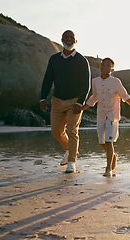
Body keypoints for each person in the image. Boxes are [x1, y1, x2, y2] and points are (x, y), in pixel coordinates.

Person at [40, 30, 91, 173]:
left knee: (72, 130)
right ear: (62, 40)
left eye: (71, 38)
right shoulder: (54, 59)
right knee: (56, 131)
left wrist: (80, 102)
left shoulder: (81, 60)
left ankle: (71, 162)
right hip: (57, 101)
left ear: (75, 41)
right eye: (66, 37)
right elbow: (47, 80)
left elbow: (86, 84)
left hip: (74, 101)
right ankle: (70, 149)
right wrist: (43, 98)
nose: (69, 39)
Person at [82, 58, 130, 177]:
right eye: (103, 65)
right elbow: (94, 97)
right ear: (100, 67)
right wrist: (82, 108)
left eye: (108, 66)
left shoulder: (116, 82)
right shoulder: (95, 81)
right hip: (101, 115)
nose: (105, 67)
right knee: (102, 142)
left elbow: (125, 96)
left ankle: (108, 169)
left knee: (108, 141)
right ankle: (113, 156)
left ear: (112, 69)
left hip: (112, 116)